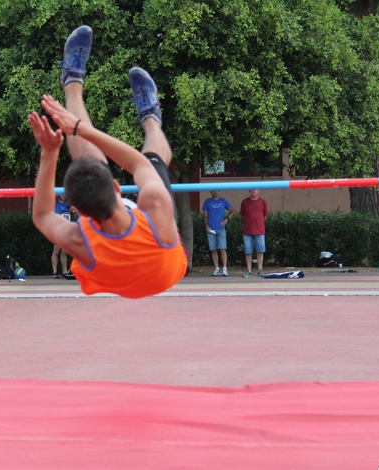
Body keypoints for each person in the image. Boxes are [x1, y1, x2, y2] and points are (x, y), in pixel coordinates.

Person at [28, 25, 187, 299]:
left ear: (77, 210)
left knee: (90, 161)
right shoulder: (156, 212)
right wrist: (76, 131)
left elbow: (42, 215)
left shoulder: (81, 242)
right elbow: (138, 165)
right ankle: (150, 118)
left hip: (118, 279)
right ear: (117, 187)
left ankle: (72, 83)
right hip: (166, 272)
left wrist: (50, 153)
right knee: (153, 160)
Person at [202, 190, 235, 276]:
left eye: (217, 191)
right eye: (213, 191)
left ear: (219, 191)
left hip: (221, 228)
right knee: (213, 250)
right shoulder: (207, 201)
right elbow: (205, 215)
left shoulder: (223, 201)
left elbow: (232, 210)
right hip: (211, 229)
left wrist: (227, 219)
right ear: (210, 192)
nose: (215, 192)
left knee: (222, 249)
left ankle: (224, 268)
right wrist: (207, 226)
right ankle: (216, 268)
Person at [240, 189, 268, 277]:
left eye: (255, 189)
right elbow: (242, 215)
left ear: (259, 190)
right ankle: (249, 269)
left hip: (259, 231)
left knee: (260, 251)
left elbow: (265, 215)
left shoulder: (263, 202)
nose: (253, 191)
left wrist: (259, 223)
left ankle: (260, 269)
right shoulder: (244, 202)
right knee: (248, 251)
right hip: (247, 231)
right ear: (249, 190)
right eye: (252, 189)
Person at [51, 195, 72, 278]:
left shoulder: (68, 204)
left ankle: (65, 271)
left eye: (65, 193)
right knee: (56, 251)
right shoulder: (54, 204)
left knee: (64, 252)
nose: (64, 195)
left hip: (66, 231)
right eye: (62, 193)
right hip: (57, 230)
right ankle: (55, 271)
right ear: (58, 194)